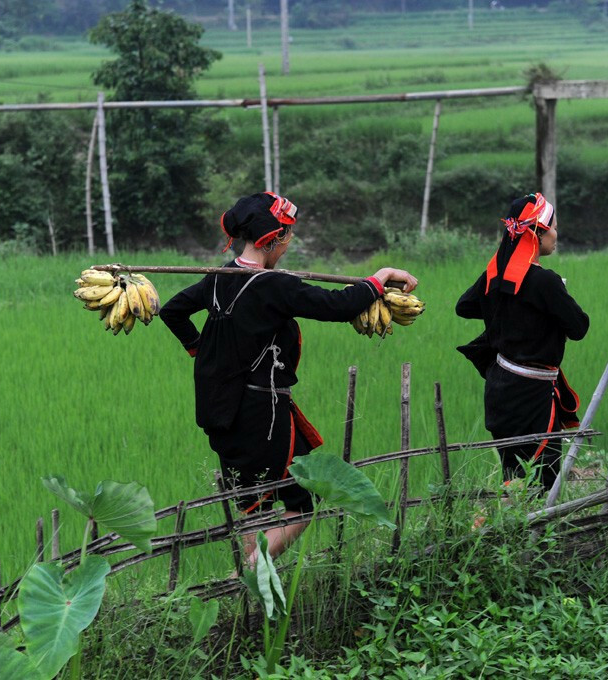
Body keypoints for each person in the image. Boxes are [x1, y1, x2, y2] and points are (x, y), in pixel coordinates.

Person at [160, 192, 418, 570]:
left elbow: (173, 311)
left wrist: (199, 349)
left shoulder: (218, 278)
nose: (289, 243)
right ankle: (253, 570)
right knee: (300, 508)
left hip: (221, 411)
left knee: (253, 504)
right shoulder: (273, 286)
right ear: (271, 239)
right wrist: (378, 279)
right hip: (261, 415)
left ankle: (254, 586)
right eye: (287, 236)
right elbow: (338, 306)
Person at [455, 192, 589, 502]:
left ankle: (508, 534)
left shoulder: (495, 275)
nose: (557, 234)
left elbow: (465, 306)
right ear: (539, 232)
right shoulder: (545, 282)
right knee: (544, 483)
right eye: (553, 226)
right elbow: (579, 327)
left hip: (501, 388)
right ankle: (534, 540)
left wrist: (507, 308)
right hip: (532, 395)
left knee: (514, 476)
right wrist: (547, 307)